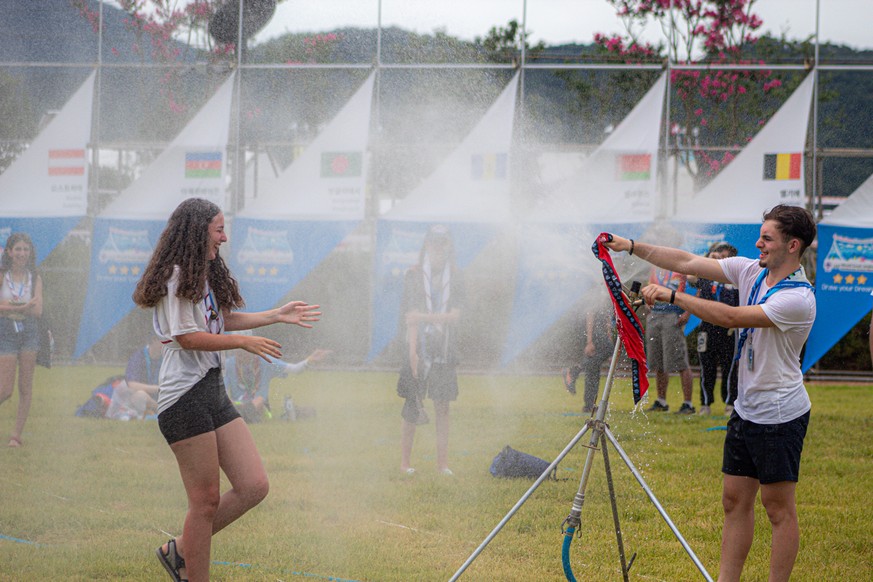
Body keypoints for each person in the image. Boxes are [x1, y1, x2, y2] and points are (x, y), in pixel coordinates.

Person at [604, 204, 817, 582]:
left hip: (780, 414)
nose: (758, 243)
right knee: (734, 502)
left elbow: (732, 318)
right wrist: (630, 246)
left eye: (767, 238)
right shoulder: (753, 270)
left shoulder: (798, 298)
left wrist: (674, 298)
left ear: (793, 245)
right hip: (746, 408)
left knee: (777, 509)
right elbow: (686, 261)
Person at [132, 198, 321, 582]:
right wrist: (242, 343)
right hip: (183, 399)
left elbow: (219, 320)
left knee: (254, 485)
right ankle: (190, 571)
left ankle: (180, 551)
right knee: (204, 504)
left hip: (212, 389)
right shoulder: (175, 275)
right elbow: (186, 336)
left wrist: (274, 316)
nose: (225, 236)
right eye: (219, 229)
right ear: (198, 230)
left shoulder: (203, 272)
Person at [397, 224, 464, 476]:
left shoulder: (457, 276)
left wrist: (424, 316)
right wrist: (413, 353)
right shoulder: (413, 276)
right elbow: (409, 319)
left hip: (444, 350)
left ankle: (442, 464)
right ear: (427, 244)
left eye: (443, 242)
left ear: (449, 246)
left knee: (443, 407)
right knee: (412, 405)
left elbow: (455, 317)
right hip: (418, 348)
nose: (438, 247)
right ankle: (405, 464)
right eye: (434, 242)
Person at [0, 233, 43, 448]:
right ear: (9, 252)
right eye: (18, 249)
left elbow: (38, 310)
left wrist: (12, 305)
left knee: (25, 387)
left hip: (29, 331)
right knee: (5, 389)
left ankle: (16, 436)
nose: (22, 253)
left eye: (26, 249)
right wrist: (20, 306)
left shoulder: (34, 277)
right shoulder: (2, 275)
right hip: (6, 331)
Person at [224, 341, 331, 423]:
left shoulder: (266, 362)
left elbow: (294, 369)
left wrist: (310, 359)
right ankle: (242, 416)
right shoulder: (229, 364)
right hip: (236, 404)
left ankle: (242, 417)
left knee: (260, 399)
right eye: (239, 352)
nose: (242, 355)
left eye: (245, 351)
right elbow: (222, 389)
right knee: (228, 403)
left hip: (260, 407)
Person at [694, 242, 740, 416]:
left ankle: (730, 403)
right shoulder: (706, 274)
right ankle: (705, 404)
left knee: (729, 367)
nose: (722, 258)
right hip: (707, 327)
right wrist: (707, 259)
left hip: (729, 328)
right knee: (707, 366)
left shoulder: (735, 278)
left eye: (726, 256)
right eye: (718, 255)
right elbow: (691, 276)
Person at [645, 264, 696, 414]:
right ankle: (661, 401)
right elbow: (649, 286)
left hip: (673, 316)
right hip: (654, 315)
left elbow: (694, 289)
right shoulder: (655, 266)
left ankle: (688, 404)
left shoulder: (681, 265)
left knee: (681, 361)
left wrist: (687, 312)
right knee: (657, 361)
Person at [562, 289, 615, 413]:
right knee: (601, 357)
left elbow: (607, 317)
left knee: (592, 368)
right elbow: (590, 315)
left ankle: (589, 404)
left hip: (600, 333)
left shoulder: (605, 293)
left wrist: (609, 336)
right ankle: (573, 372)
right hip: (595, 333)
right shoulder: (596, 291)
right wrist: (589, 341)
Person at [105, 337, 164, 420]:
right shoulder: (138, 357)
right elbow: (132, 385)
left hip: (162, 398)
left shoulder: (168, 358)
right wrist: (157, 389)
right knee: (140, 396)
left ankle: (158, 411)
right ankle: (161, 410)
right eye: (165, 340)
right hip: (141, 399)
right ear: (154, 340)